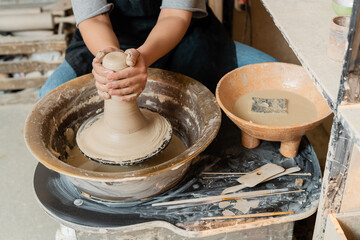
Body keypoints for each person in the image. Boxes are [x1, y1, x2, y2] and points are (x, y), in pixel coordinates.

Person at [39, 0, 277, 99]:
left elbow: (174, 15)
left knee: (275, 81)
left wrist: (143, 57)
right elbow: (95, 20)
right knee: (48, 97)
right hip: (107, 36)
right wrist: (110, 57)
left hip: (184, 34)